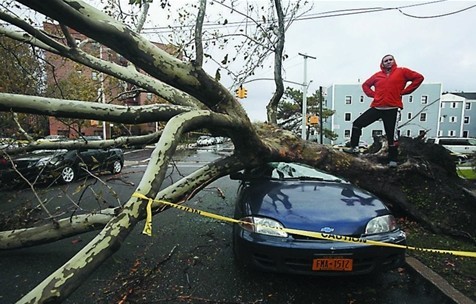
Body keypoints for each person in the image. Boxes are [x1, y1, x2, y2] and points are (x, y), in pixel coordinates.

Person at [344, 54, 424, 168]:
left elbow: (419, 78)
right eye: (385, 60)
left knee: (392, 136)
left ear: (394, 61)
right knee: (357, 124)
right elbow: (366, 85)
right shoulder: (377, 75)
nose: (388, 62)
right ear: (382, 63)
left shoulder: (402, 71)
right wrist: (374, 95)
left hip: (392, 109)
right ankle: (354, 147)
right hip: (377, 107)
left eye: (390, 60)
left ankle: (393, 160)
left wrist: (406, 91)